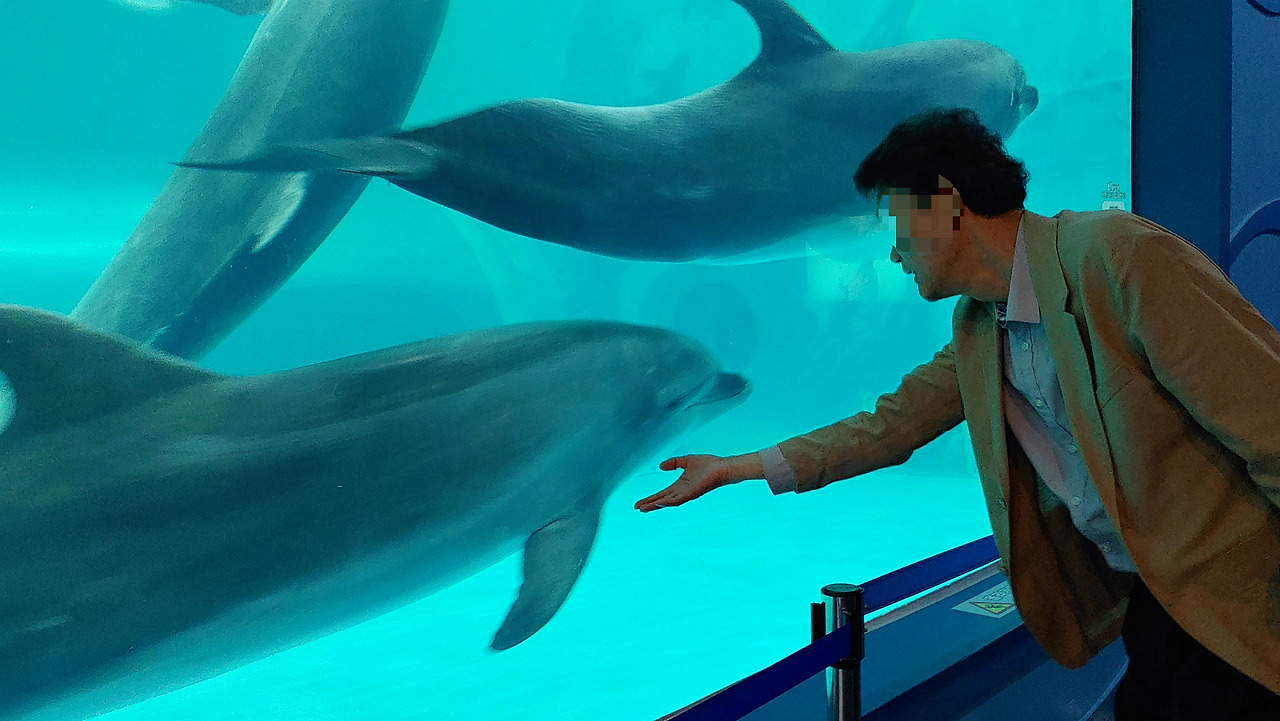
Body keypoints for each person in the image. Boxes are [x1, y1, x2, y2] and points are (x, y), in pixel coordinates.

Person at [635, 108, 1280, 719]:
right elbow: (890, 427)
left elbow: (1269, 422)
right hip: (1156, 597)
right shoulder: (979, 325)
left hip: (1241, 590)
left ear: (943, 203)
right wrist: (740, 466)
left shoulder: (1118, 257)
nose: (894, 253)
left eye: (897, 223)